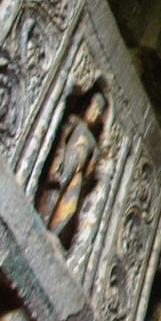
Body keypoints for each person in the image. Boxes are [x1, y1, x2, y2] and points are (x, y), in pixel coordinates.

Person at [36, 91, 108, 247]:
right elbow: (62, 139)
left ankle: (53, 231)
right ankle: (41, 220)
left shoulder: (93, 143)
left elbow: (89, 170)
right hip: (62, 166)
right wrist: (58, 161)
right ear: (86, 106)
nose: (93, 112)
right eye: (92, 107)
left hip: (75, 175)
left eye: (97, 111)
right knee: (51, 195)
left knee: (66, 204)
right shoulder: (74, 121)